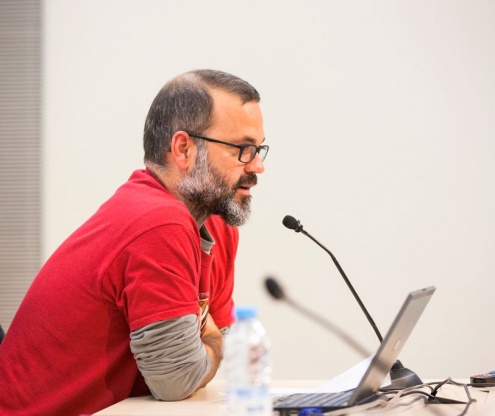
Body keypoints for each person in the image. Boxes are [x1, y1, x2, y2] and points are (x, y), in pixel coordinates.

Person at [0, 69, 268, 416]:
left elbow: (224, 351)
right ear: (183, 149)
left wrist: (210, 344)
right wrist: (212, 342)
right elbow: (178, 378)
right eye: (243, 149)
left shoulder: (216, 225)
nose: (258, 166)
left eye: (259, 149)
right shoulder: (157, 222)